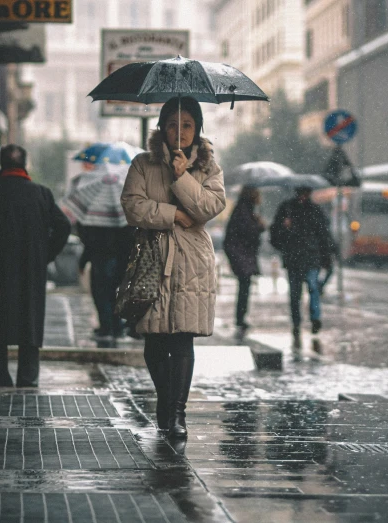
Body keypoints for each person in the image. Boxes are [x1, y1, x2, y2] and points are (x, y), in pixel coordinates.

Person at [121, 96, 226, 438]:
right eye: (172, 125)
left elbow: (211, 206)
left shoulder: (208, 167)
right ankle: (166, 399)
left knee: (182, 339)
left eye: (186, 125)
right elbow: (133, 206)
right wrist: (173, 215)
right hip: (153, 257)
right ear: (162, 128)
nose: (179, 132)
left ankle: (177, 414)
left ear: (196, 129)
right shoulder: (142, 164)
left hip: (191, 261)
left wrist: (183, 177)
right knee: (153, 341)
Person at [0, 144, 71, 387]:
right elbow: (63, 226)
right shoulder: (41, 193)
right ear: (24, 165)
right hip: (31, 271)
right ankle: (28, 377)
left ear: (2, 164)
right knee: (30, 322)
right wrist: (44, 254)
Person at [270, 186, 336, 349]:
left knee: (312, 288)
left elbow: (323, 234)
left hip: (311, 257)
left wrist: (326, 255)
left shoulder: (315, 210)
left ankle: (315, 319)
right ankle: (297, 322)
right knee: (295, 293)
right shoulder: (287, 208)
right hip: (294, 258)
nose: (303, 196)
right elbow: (275, 234)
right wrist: (285, 230)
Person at [77, 223, 135, 340]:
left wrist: (83, 262)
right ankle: (115, 326)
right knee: (112, 294)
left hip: (101, 260)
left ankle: (107, 327)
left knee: (101, 294)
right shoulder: (122, 222)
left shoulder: (95, 221)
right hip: (118, 261)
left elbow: (89, 243)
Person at [223, 186, 265, 339]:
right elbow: (247, 232)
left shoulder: (245, 209)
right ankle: (240, 318)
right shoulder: (244, 210)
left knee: (244, 286)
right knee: (244, 286)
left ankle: (241, 318)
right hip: (241, 255)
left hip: (242, 255)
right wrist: (259, 225)